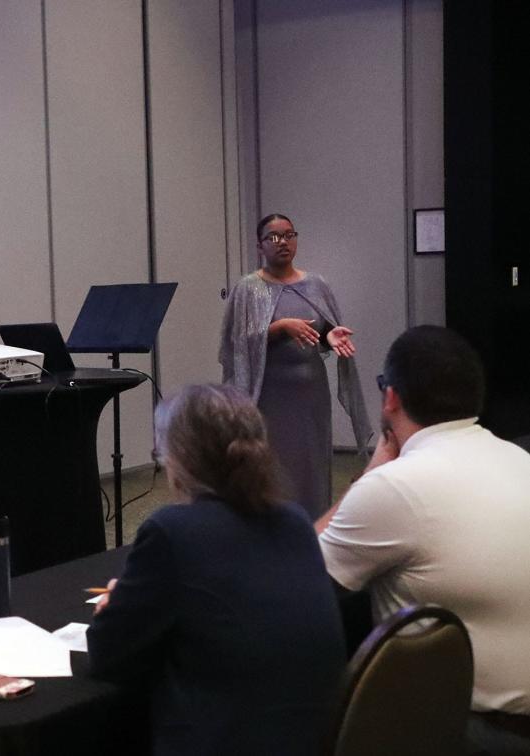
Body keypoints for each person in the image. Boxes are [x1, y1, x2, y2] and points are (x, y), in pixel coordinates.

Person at [88, 384, 346, 756]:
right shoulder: (293, 521)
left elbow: (106, 655)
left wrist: (115, 608)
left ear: (179, 460)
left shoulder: (172, 531)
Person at [316, 326, 530, 754]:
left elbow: (299, 574)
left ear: (391, 397)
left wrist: (372, 473)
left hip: (469, 733)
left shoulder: (395, 486)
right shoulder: (519, 459)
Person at [220, 212, 372, 518]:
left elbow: (322, 331)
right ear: (260, 245)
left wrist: (331, 335)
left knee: (311, 463)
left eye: (289, 235)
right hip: (268, 396)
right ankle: (270, 531)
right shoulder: (249, 288)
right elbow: (235, 345)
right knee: (272, 464)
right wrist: (279, 328)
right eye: (274, 237)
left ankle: (312, 527)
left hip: (310, 396)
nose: (283, 243)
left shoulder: (316, 284)